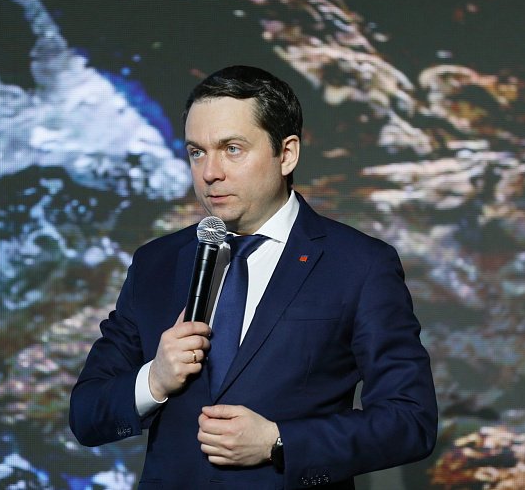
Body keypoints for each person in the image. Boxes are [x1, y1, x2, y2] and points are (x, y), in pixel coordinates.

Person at [70, 65, 437, 488]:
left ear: (287, 154)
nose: (210, 172)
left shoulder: (358, 264)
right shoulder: (158, 262)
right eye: (197, 152)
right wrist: (153, 380)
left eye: (232, 149)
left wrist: (279, 442)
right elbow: (86, 415)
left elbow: (410, 421)